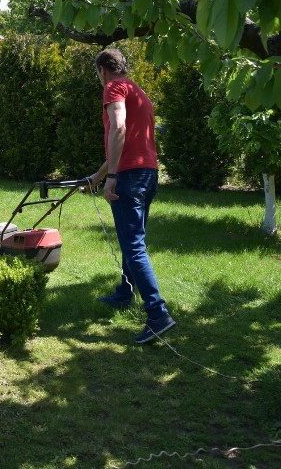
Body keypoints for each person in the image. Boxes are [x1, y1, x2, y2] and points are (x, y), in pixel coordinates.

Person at [85, 48, 175, 344]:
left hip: (129, 177)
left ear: (103, 70)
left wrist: (111, 178)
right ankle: (125, 293)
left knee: (134, 245)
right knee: (131, 237)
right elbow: (127, 144)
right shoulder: (138, 90)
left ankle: (157, 313)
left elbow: (119, 129)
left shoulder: (114, 87)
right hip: (147, 174)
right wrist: (97, 177)